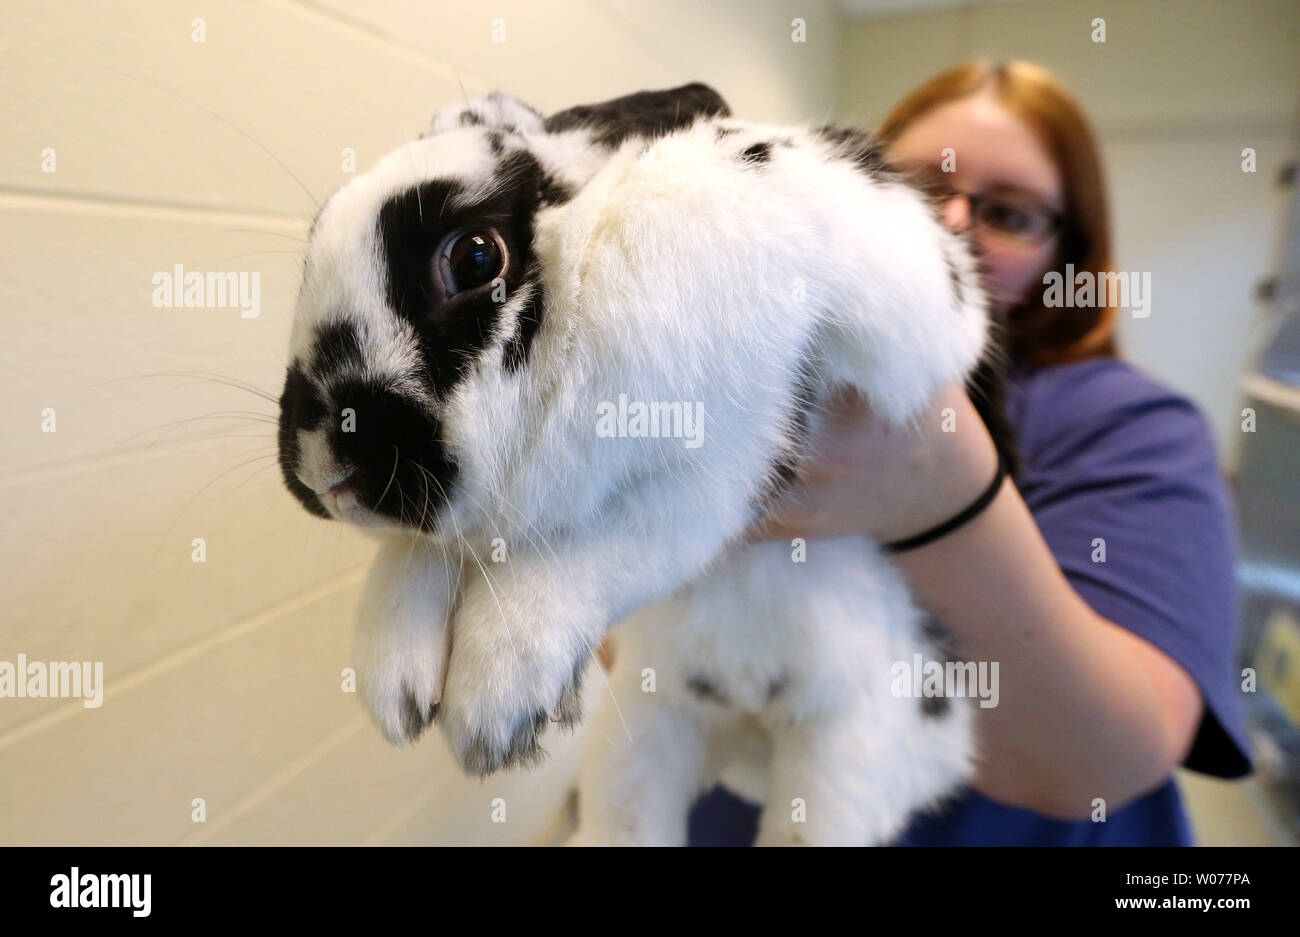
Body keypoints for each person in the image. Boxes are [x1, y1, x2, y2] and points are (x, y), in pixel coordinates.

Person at [679, 60, 1253, 846]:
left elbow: (1105, 758)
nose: (949, 223)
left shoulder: (1135, 427)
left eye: (1008, 213)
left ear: (1067, 259)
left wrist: (942, 499)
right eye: (913, 186)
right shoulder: (759, 363)